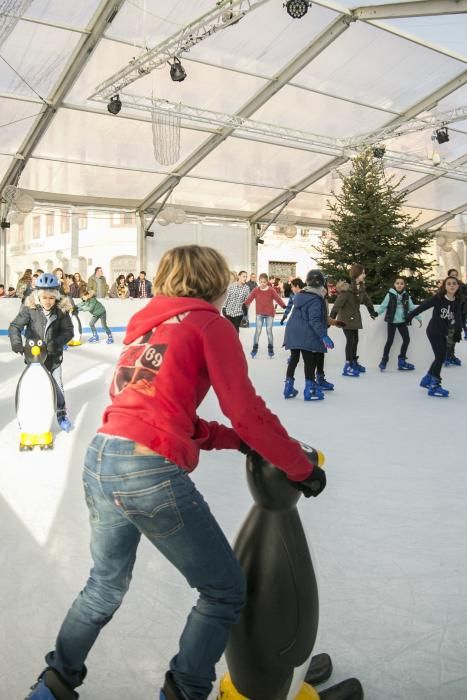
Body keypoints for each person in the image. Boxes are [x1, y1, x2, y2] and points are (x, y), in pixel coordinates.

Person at [24, 244, 326, 700]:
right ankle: (184, 692)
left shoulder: (144, 332)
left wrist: (235, 441)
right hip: (146, 470)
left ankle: (52, 687)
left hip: (102, 456)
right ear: (215, 281)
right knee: (223, 590)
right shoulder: (210, 324)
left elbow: (164, 414)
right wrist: (300, 467)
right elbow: (246, 409)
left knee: (104, 587)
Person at [8, 273, 74, 431]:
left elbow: (69, 331)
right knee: (30, 387)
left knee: (57, 386)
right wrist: (17, 343)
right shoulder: (29, 308)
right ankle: (25, 415)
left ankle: (61, 414)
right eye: (44, 297)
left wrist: (56, 343)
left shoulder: (61, 310)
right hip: (34, 357)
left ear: (56, 297)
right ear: (38, 296)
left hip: (54, 356)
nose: (48, 301)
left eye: (51, 298)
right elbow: (15, 327)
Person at [407, 276, 463, 398]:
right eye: (449, 284)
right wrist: (410, 316)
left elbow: (458, 316)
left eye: (454, 283)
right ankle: (434, 385)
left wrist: (458, 330)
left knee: (441, 357)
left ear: (458, 286)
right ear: (445, 286)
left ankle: (427, 379)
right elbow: (423, 306)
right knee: (439, 357)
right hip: (433, 331)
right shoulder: (438, 299)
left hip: (443, 332)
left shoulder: (457, 301)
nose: (452, 286)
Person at [283, 269, 334, 401]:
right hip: (305, 332)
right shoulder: (316, 299)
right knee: (309, 359)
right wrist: (323, 335)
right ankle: (310, 389)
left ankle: (288, 387)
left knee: (294, 358)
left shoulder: (300, 295)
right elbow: (315, 320)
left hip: (292, 330)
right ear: (321, 284)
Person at [329, 264, 378, 377]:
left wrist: (372, 312)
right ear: (357, 274)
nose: (364, 275)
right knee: (350, 341)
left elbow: (367, 300)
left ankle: (353, 362)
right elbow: (337, 305)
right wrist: (331, 319)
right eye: (363, 273)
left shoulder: (360, 288)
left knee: (355, 340)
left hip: (355, 318)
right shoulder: (347, 290)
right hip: (345, 319)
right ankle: (347, 366)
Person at [377, 277, 421, 371]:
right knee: (390, 341)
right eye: (397, 283)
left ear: (404, 285)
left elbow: (412, 307)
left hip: (402, 321)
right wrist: (376, 313)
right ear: (394, 284)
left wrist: (419, 318)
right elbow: (383, 306)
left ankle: (402, 360)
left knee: (406, 339)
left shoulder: (406, 296)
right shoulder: (390, 295)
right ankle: (384, 361)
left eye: (401, 283)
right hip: (392, 321)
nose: (399, 285)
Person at [245, 273, 285, 358]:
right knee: (258, 331)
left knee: (269, 331)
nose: (262, 284)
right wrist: (245, 304)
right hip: (259, 314)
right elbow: (250, 298)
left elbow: (277, 298)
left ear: (267, 282)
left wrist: (283, 305)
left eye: (264, 282)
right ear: (259, 281)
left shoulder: (271, 290)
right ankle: (255, 347)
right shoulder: (256, 290)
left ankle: (270, 348)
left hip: (269, 313)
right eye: (261, 282)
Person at [445, 268, 466, 357]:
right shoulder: (446, 286)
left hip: (461, 312)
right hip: (449, 313)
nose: (455, 277)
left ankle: (452, 354)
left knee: (456, 334)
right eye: (452, 275)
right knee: (449, 334)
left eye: (456, 275)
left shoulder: (462, 286)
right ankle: (447, 354)